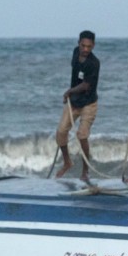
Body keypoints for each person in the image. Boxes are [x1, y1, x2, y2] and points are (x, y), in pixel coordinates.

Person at [55, 30, 100, 180]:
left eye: (89, 46)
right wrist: (71, 95)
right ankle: (67, 162)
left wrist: (69, 91)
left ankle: (85, 171)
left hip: (89, 103)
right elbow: (75, 70)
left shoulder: (94, 63)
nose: (85, 49)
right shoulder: (75, 53)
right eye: (83, 46)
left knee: (82, 135)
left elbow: (86, 85)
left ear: (93, 45)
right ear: (78, 43)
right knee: (61, 132)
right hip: (74, 102)